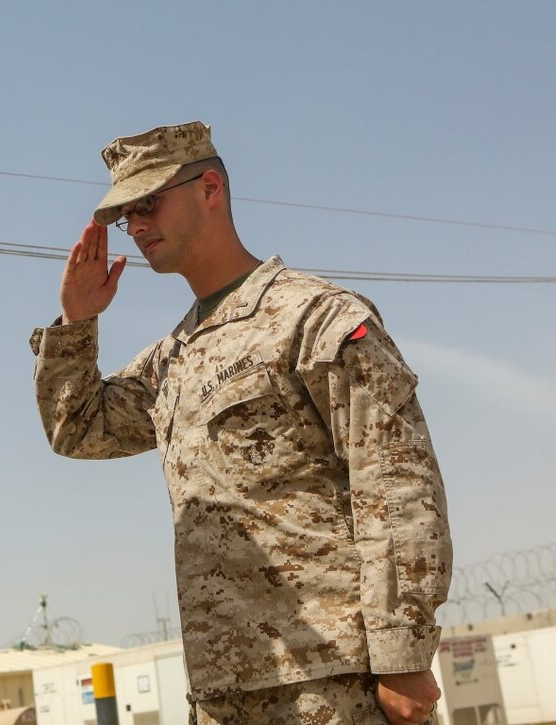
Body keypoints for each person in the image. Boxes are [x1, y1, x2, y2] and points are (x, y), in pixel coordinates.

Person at [30, 121, 451, 725]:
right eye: (126, 214)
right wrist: (75, 324)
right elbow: (79, 429)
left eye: (149, 202)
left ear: (210, 187)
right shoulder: (173, 356)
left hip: (333, 680)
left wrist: (403, 655)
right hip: (223, 688)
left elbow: (397, 486)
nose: (137, 224)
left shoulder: (314, 317)